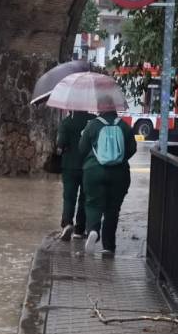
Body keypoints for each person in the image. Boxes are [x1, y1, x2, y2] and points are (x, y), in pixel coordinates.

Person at [78, 99, 136, 254]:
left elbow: (82, 149)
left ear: (100, 108)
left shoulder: (92, 125)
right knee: (112, 209)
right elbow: (132, 149)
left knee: (92, 204)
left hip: (94, 172)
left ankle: (93, 231)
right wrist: (119, 159)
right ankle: (108, 246)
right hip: (119, 174)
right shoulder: (125, 126)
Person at [56, 110, 95, 241]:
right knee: (84, 199)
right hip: (88, 166)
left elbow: (60, 143)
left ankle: (67, 224)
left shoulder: (66, 123)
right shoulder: (93, 121)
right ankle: (79, 230)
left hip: (69, 166)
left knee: (69, 197)